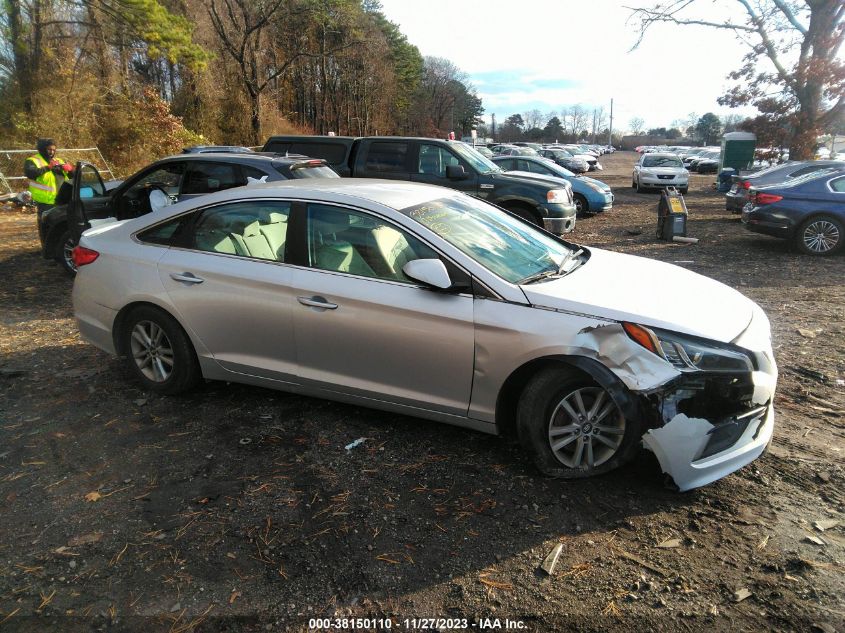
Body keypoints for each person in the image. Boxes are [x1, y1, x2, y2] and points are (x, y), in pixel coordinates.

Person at [25, 138, 74, 217]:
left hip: (62, 200)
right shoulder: (32, 160)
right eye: (49, 149)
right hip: (45, 201)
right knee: (46, 224)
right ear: (42, 149)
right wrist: (48, 167)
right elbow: (30, 173)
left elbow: (73, 177)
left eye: (54, 150)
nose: (52, 152)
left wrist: (71, 170)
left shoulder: (59, 160)